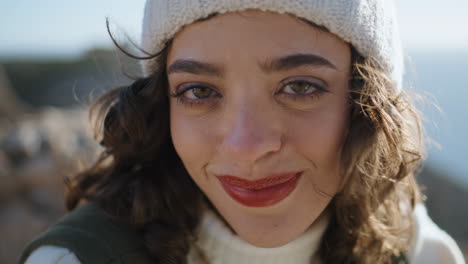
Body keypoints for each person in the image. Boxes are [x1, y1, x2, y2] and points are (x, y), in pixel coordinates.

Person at [19, 0, 465, 263]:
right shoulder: (74, 259)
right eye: (199, 91)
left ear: (365, 104)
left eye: (300, 86)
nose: (246, 146)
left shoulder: (421, 253)